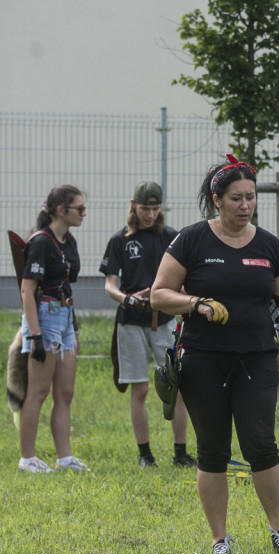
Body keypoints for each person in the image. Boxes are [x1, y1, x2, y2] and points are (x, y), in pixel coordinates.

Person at [150, 155, 279, 554]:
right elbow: (159, 294)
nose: (245, 205)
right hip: (203, 359)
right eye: (236, 198)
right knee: (212, 449)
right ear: (217, 199)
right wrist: (195, 302)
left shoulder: (270, 245)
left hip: (257, 360)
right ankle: (220, 539)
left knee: (261, 444)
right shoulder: (192, 239)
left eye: (250, 197)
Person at [100, 181, 194, 468]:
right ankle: (145, 455)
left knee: (176, 386)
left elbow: (186, 278)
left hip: (164, 321)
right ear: (133, 205)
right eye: (144, 208)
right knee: (139, 390)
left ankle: (180, 453)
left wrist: (181, 300)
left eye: (155, 208)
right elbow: (109, 285)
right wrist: (126, 299)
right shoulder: (120, 240)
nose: (150, 214)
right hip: (131, 322)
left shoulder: (172, 237)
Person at [17, 185, 89, 473]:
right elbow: (26, 291)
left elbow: (67, 286)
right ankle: (28, 458)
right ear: (61, 210)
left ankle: (64, 457)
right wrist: (34, 336)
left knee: (65, 392)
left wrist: (75, 329)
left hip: (65, 317)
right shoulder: (41, 242)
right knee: (38, 391)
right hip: (43, 318)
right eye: (79, 209)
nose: (84, 214)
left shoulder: (68, 240)